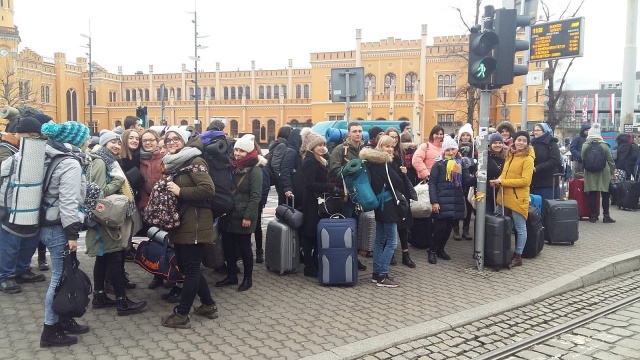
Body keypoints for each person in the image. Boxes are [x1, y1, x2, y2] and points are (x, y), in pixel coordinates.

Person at [159, 126, 219, 328]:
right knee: (186, 267)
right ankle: (208, 305)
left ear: (185, 140)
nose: (172, 142)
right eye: (168, 140)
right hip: (182, 222)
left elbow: (208, 189)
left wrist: (179, 191)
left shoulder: (195, 161)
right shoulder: (174, 164)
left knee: (191, 269)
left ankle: (182, 314)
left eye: (176, 139)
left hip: (195, 222)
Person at [38, 121, 91, 347]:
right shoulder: (69, 163)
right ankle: (50, 331)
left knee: (66, 274)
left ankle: (65, 319)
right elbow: (68, 202)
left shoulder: (46, 155)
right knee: (59, 278)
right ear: (77, 140)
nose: (89, 141)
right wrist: (72, 234)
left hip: (45, 223)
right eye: (86, 137)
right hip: (59, 226)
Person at [86, 130, 147, 316]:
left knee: (104, 257)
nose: (116, 146)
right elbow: (97, 192)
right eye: (112, 142)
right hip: (106, 216)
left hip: (107, 216)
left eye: (118, 143)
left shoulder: (108, 160)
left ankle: (99, 296)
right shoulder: (100, 161)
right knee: (114, 256)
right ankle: (122, 301)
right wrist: (118, 182)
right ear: (104, 144)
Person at [0, 117, 47, 294]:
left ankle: (21, 269)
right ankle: (5, 276)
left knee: (29, 241)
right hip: (11, 208)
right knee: (10, 243)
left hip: (31, 207)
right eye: (32, 135)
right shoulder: (9, 156)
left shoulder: (37, 155)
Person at [216, 134, 263, 292]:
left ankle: (247, 278)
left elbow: (256, 195)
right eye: (236, 149)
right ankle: (231, 275)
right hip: (228, 213)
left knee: (244, 247)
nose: (237, 153)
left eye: (241, 151)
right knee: (227, 246)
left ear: (249, 152)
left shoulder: (255, 169)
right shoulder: (231, 165)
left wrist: (248, 216)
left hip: (244, 215)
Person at [359, 135, 404, 287]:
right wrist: (400, 172)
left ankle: (376, 273)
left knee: (379, 241)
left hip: (379, 204)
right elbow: (396, 182)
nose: (390, 149)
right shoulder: (383, 163)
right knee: (392, 242)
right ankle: (382, 275)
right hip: (388, 205)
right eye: (387, 146)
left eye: (392, 146)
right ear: (380, 147)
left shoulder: (372, 162)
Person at [490, 130, 535, 268]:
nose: (521, 143)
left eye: (524, 140)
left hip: (518, 197)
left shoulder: (528, 159)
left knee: (520, 228)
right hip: (504, 196)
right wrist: (498, 180)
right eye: (519, 140)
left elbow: (525, 181)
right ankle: (500, 251)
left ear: (527, 143)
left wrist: (502, 182)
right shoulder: (510, 155)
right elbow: (504, 174)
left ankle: (518, 256)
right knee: (499, 223)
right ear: (514, 141)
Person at [428, 136, 475, 264]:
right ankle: (432, 250)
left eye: (453, 149)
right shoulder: (438, 165)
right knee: (439, 228)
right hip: (441, 200)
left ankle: (441, 249)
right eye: (448, 150)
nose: (450, 152)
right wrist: (434, 201)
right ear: (443, 151)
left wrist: (477, 177)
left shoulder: (460, 164)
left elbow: (466, 181)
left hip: (455, 199)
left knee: (449, 227)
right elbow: (432, 184)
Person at [328, 122, 367, 271]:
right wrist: (351, 170)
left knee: (357, 226)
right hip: (346, 196)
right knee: (347, 227)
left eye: (360, 131)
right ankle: (346, 258)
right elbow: (333, 170)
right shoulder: (340, 150)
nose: (358, 134)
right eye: (355, 131)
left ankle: (354, 258)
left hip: (361, 194)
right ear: (349, 134)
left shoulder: (365, 150)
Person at [299, 129, 337, 277]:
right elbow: (309, 184)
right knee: (310, 233)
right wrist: (329, 187)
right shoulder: (309, 161)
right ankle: (308, 266)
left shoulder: (321, 159)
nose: (322, 147)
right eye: (319, 145)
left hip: (319, 199)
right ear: (312, 146)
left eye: (323, 144)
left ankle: (314, 262)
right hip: (312, 200)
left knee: (316, 232)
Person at [138, 129, 168, 289]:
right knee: (154, 242)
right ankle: (157, 275)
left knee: (167, 243)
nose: (148, 143)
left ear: (157, 142)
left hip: (163, 208)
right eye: (145, 141)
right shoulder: (140, 160)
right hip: (149, 209)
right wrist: (144, 204)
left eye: (151, 140)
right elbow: (141, 186)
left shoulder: (164, 158)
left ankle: (169, 273)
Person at [385, 127, 416, 268]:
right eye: (391, 137)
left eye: (396, 137)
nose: (394, 139)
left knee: (404, 225)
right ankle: (390, 253)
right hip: (390, 193)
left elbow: (406, 176)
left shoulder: (401, 152)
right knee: (390, 224)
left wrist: (404, 172)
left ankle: (405, 254)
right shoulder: (384, 154)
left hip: (402, 191)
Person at [581, 123, 616, 224]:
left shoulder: (585, 145)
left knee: (592, 194)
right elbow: (610, 160)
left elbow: (583, 158)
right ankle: (606, 216)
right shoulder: (604, 145)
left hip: (590, 172)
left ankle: (592, 216)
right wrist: (612, 172)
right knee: (605, 194)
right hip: (603, 172)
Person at [453, 123, 476, 241]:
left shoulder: (475, 148)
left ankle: (466, 229)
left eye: (468, 135)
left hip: (470, 178)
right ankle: (456, 228)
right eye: (463, 135)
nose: (465, 137)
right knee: (457, 203)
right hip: (458, 177)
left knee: (468, 203)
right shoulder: (455, 148)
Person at [530, 123, 561, 201]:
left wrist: (537, 168)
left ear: (545, 131)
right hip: (534, 181)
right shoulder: (532, 143)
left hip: (548, 181)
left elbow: (554, 160)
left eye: (538, 130)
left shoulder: (552, 143)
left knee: (546, 204)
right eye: (534, 130)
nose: (535, 132)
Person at [268, 126, 293, 205]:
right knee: (283, 200)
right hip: (280, 178)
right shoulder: (282, 145)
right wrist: (279, 176)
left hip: (279, 178)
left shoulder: (279, 143)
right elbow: (275, 164)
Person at [487, 133, 506, 214]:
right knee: (487, 215)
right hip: (488, 191)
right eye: (495, 143)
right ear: (490, 144)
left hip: (502, 191)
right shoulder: (486, 156)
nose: (498, 145)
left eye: (500, 143)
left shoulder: (507, 156)